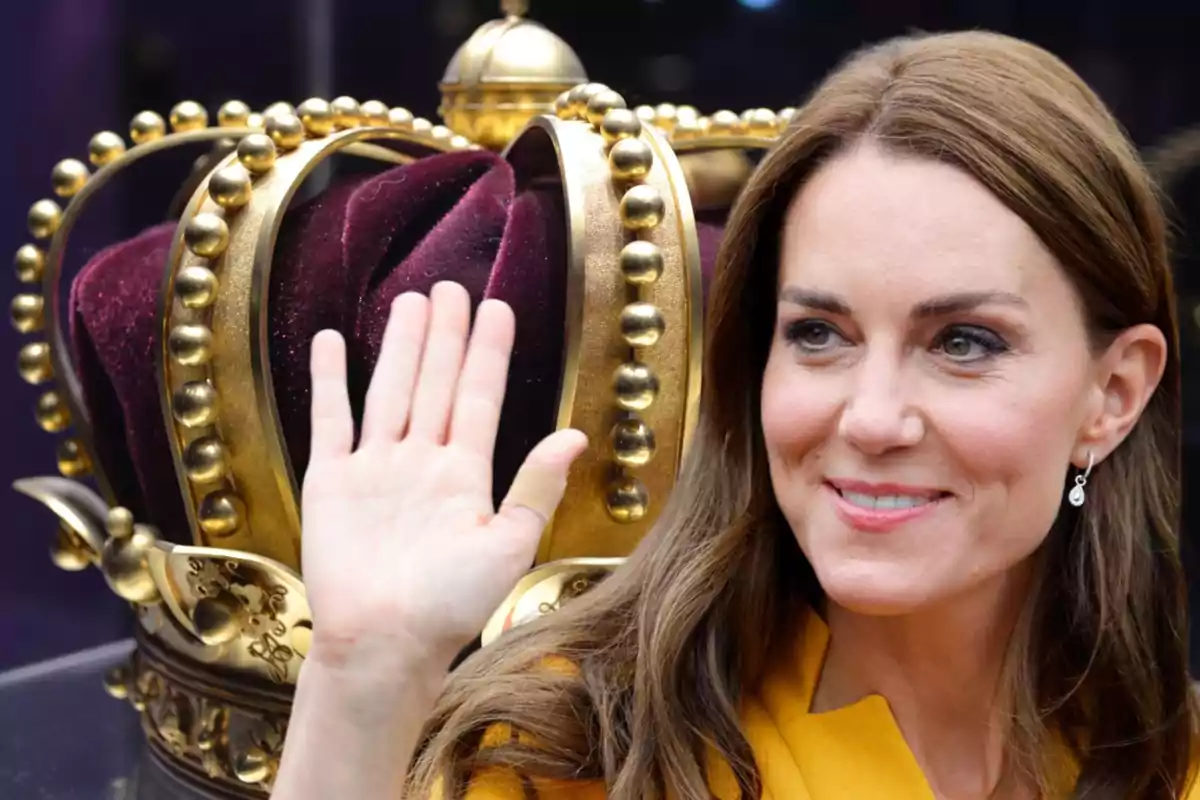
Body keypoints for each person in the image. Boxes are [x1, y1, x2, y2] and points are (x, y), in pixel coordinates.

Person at [272, 30, 1198, 800]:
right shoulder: (581, 754)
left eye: (963, 342)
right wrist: (363, 679)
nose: (871, 419)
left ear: (1113, 395)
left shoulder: (1174, 759)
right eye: (820, 334)